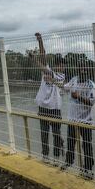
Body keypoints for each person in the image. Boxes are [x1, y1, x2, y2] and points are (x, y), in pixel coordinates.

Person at [30, 32, 66, 165]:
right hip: (43, 108)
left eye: (63, 65)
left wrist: (36, 61)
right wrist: (40, 41)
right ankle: (45, 156)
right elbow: (43, 57)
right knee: (44, 133)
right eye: (59, 64)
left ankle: (56, 158)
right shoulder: (48, 71)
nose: (61, 67)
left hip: (55, 109)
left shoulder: (62, 77)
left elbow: (58, 82)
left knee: (56, 134)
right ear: (55, 65)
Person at [61, 60, 95, 177]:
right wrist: (54, 80)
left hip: (86, 120)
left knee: (86, 144)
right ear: (78, 69)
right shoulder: (74, 80)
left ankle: (88, 168)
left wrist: (78, 96)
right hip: (72, 119)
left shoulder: (91, 85)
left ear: (88, 70)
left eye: (85, 68)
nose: (83, 69)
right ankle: (68, 162)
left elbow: (91, 103)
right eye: (80, 67)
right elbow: (64, 87)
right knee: (71, 142)